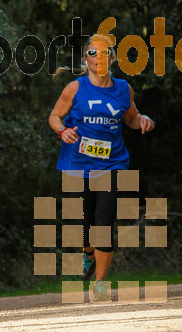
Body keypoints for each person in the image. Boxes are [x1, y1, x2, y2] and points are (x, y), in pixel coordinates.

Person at [49, 33, 155, 301]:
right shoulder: (75, 88)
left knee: (104, 221)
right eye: (93, 53)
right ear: (86, 58)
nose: (99, 58)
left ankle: (99, 283)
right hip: (77, 164)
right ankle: (88, 251)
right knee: (83, 224)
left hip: (112, 164)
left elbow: (131, 118)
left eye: (105, 52)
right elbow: (54, 116)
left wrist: (143, 120)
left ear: (113, 58)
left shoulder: (123, 89)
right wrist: (62, 130)